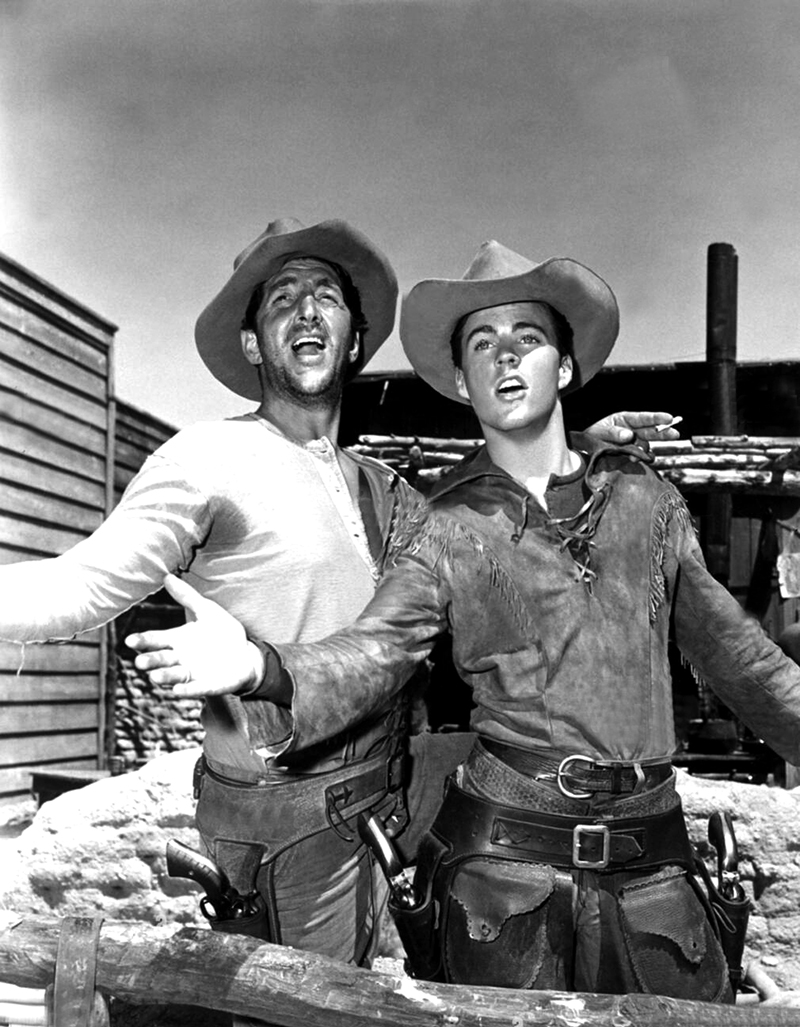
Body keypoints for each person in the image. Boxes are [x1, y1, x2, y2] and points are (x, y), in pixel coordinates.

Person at [128, 239, 800, 1004]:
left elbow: (743, 660)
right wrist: (264, 667)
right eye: (482, 343)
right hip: (504, 878)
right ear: (460, 381)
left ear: (565, 367)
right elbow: (375, 651)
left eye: (527, 337)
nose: (505, 356)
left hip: (652, 873)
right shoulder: (444, 524)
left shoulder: (648, 504)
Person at [0, 218, 675, 971]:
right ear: (254, 343)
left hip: (394, 792)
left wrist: (569, 450)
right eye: (281, 299)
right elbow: (78, 583)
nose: (307, 310)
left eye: (326, 296)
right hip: (286, 826)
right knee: (304, 1006)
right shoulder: (205, 458)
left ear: (353, 340)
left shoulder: (383, 488)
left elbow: (484, 517)